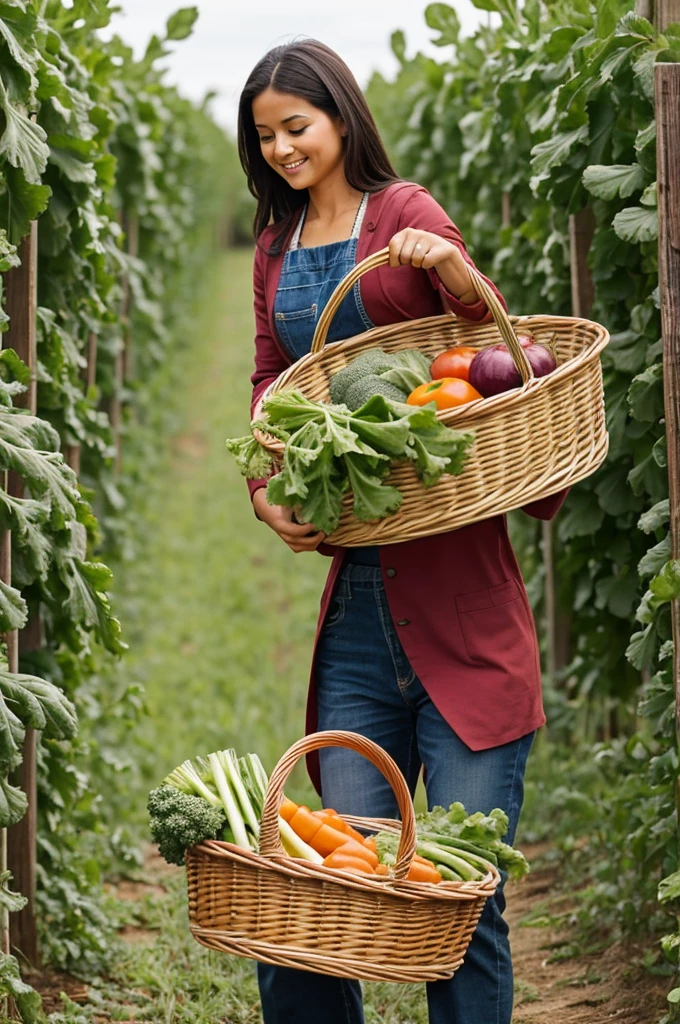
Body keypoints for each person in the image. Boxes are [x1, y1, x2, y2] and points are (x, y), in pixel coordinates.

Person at [237, 38, 566, 1024]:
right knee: (322, 890)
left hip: (462, 608)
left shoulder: (405, 214)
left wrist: (456, 276)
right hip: (358, 610)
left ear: (340, 117)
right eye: (265, 136)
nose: (284, 148)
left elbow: (498, 349)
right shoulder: (274, 246)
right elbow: (265, 386)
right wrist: (264, 491)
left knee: (460, 898)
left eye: (296, 126)